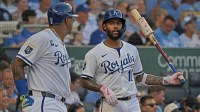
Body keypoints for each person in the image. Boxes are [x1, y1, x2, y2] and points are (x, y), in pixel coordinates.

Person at [80, 8, 185, 112]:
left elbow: (139, 77)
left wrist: (167, 80)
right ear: (104, 26)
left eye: (118, 23)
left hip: (132, 102)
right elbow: (84, 81)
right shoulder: (94, 53)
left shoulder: (132, 49)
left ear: (123, 26)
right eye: (111, 23)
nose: (115, 26)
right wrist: (102, 88)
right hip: (110, 103)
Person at [10, 2, 78, 112]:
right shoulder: (43, 37)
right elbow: (16, 64)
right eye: (72, 18)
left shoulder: (59, 42)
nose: (73, 21)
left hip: (57, 103)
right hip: (44, 102)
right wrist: (23, 96)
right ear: (66, 20)